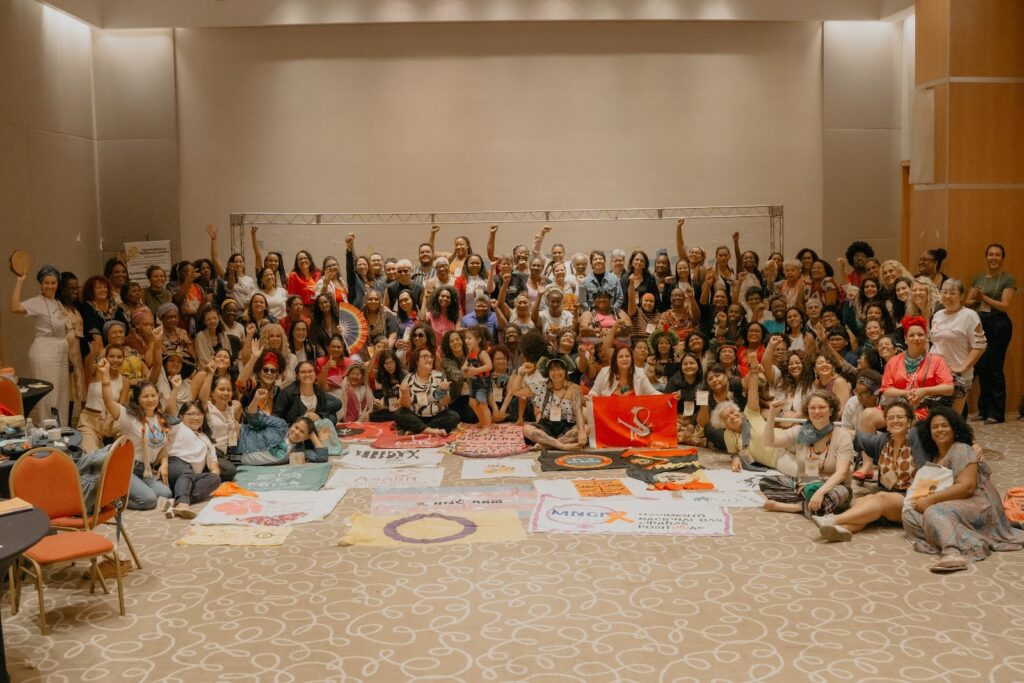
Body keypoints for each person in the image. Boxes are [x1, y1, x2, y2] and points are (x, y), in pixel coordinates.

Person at [902, 407, 1024, 572]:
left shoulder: (961, 449)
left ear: (955, 428)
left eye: (944, 426)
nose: (940, 430)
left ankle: (952, 552)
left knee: (933, 512)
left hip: (978, 503)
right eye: (935, 427)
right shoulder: (935, 456)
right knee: (909, 516)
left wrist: (930, 500)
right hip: (953, 505)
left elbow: (967, 488)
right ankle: (973, 541)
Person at [814, 401, 923, 541]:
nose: (895, 420)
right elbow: (858, 437)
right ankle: (842, 530)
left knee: (880, 497)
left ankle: (833, 520)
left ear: (909, 421)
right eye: (891, 418)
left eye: (900, 417)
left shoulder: (917, 439)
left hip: (912, 500)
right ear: (886, 422)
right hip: (890, 495)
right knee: (863, 501)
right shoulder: (883, 442)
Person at [759, 391, 855, 520]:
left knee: (839, 494)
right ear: (807, 411)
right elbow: (769, 442)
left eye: (822, 407)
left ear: (831, 411)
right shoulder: (801, 431)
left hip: (832, 487)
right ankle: (810, 505)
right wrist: (771, 415)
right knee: (767, 482)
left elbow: (841, 473)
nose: (816, 411)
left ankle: (794, 507)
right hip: (805, 484)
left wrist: (820, 492)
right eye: (812, 408)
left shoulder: (842, 436)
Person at [95, 358, 173, 510]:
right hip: (128, 468)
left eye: (153, 395)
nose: (150, 399)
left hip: (147, 470)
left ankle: (131, 489)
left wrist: (164, 464)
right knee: (149, 501)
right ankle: (110, 498)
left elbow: (163, 449)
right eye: (145, 396)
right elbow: (109, 402)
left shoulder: (160, 418)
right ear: (137, 400)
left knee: (166, 493)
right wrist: (105, 376)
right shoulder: (129, 417)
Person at [9, 264, 71, 424]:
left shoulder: (58, 302)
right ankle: (47, 429)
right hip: (45, 351)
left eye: (53, 283)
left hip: (61, 350)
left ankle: (61, 428)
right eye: (47, 283)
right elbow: (14, 307)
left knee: (62, 394)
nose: (50, 286)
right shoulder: (36, 302)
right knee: (48, 395)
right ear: (41, 284)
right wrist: (20, 281)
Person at [967, 243, 1015, 424]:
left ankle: (996, 413)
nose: (993, 258)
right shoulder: (978, 278)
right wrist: (973, 299)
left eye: (997, 255)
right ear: (986, 257)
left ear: (1002, 258)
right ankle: (983, 410)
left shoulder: (1007, 279)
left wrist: (983, 297)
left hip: (999, 325)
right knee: (982, 368)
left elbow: (1005, 305)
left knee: (995, 369)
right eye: (990, 255)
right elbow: (968, 301)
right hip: (980, 324)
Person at [930, 279, 987, 415]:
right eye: (944, 292)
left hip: (957, 376)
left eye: (952, 293)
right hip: (935, 372)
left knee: (952, 419)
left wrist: (962, 367)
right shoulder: (937, 315)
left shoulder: (969, 316)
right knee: (935, 418)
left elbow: (980, 345)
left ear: (961, 296)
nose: (947, 296)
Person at [881, 316, 954, 420]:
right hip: (896, 408)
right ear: (905, 340)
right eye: (911, 335)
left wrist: (923, 391)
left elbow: (949, 388)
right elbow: (886, 390)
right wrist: (906, 393)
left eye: (920, 334)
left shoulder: (936, 360)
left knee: (908, 420)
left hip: (925, 409)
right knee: (868, 415)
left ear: (926, 337)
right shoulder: (893, 361)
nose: (916, 338)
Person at [160, 401, 222, 519]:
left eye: (199, 414)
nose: (196, 417)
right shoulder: (178, 427)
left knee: (216, 479)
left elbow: (214, 464)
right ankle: (182, 504)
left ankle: (176, 501)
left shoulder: (206, 439)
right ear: (181, 416)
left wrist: (212, 478)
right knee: (186, 472)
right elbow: (168, 412)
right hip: (174, 465)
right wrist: (176, 388)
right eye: (191, 414)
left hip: (191, 475)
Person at [239, 389, 328, 465]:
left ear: (306, 436)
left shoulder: (298, 451)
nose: (296, 432)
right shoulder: (279, 425)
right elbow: (253, 418)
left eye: (302, 432)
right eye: (296, 427)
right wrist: (256, 399)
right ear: (292, 425)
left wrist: (311, 432)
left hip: (239, 462)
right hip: (238, 442)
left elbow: (321, 456)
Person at [517, 355, 588, 450]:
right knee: (527, 429)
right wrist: (521, 373)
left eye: (559, 369)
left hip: (567, 425)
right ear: (548, 373)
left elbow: (578, 411)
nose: (556, 373)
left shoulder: (575, 388)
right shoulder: (542, 386)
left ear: (566, 371)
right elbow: (516, 391)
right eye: (552, 370)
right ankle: (561, 446)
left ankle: (546, 445)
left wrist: (582, 432)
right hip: (546, 425)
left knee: (587, 429)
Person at [395, 348, 460, 435]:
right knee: (399, 414)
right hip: (415, 416)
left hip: (436, 416)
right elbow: (406, 406)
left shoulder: (439, 376)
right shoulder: (408, 379)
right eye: (425, 356)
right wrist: (405, 393)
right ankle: (430, 431)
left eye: (431, 357)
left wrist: (442, 391)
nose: (429, 359)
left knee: (454, 416)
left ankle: (418, 430)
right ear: (417, 361)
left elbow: (445, 402)